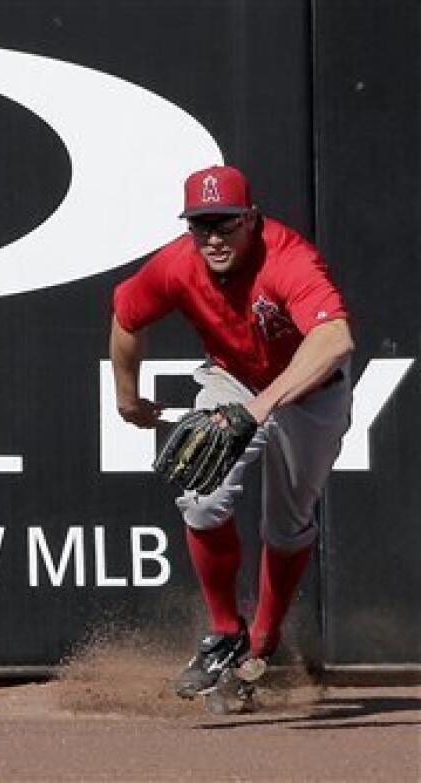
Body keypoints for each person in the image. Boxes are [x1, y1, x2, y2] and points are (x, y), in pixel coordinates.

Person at [109, 165, 354, 697]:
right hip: (234, 378)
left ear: (252, 220)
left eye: (226, 223)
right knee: (201, 498)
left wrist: (261, 409)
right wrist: (127, 398)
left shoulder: (287, 257)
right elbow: (126, 314)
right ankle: (224, 633)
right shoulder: (178, 263)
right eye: (202, 225)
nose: (214, 238)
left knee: (287, 524)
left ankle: (262, 643)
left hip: (311, 390)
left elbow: (334, 339)